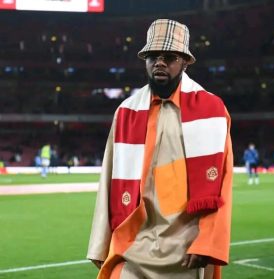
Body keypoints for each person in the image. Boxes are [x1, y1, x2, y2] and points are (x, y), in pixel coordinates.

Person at [87, 19, 233, 279]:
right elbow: (108, 180)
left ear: (185, 61)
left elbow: (222, 185)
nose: (160, 62)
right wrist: (101, 243)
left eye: (169, 57)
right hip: (132, 246)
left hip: (187, 251)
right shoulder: (126, 112)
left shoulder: (212, 110)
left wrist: (207, 242)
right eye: (153, 56)